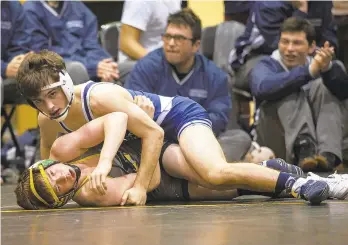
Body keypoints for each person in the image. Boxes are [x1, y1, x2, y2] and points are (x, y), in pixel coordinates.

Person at [17, 50, 337, 206]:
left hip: (171, 120)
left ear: (65, 81)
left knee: (212, 172)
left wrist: (137, 186)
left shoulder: (99, 97)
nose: (49, 106)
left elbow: (153, 133)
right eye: (39, 102)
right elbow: (48, 157)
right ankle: (269, 170)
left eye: (52, 95)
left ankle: (300, 185)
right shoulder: (48, 120)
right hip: (144, 140)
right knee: (203, 186)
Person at [14, 111, 346, 209]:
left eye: (52, 174)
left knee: (214, 174)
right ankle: (296, 179)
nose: (61, 177)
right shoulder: (91, 193)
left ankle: (302, 183)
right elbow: (151, 181)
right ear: (63, 199)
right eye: (57, 188)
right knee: (231, 186)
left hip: (164, 134)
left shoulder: (63, 151)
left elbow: (116, 118)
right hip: (160, 176)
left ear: (46, 165)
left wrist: (103, 162)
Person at [125, 8, 252, 161]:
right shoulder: (146, 66)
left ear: (196, 45)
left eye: (179, 38)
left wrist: (184, 129)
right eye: (167, 36)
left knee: (240, 137)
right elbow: (133, 109)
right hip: (157, 141)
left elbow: (218, 119)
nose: (171, 43)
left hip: (198, 140)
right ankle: (206, 167)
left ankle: (199, 165)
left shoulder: (214, 75)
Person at [250, 17, 348, 172]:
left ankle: (327, 156)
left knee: (323, 86)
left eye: (296, 43)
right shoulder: (265, 64)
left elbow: (344, 93)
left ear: (311, 47)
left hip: (318, 144)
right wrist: (308, 72)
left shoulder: (324, 63)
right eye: (284, 42)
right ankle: (304, 149)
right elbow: (262, 88)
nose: (289, 48)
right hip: (274, 140)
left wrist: (327, 69)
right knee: (288, 88)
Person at [229, 0, 337, 92]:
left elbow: (330, 41)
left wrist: (322, 57)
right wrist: (301, 10)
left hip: (303, 57)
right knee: (284, 77)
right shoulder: (267, 4)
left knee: (333, 70)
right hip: (253, 60)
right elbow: (282, 47)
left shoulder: (323, 3)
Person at [23, 1, 120, 83]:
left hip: (88, 62)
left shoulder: (77, 7)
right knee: (77, 69)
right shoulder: (31, 10)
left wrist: (105, 64)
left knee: (125, 68)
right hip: (53, 66)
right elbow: (43, 55)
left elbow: (92, 45)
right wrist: (92, 67)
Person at [1, 1, 31, 105]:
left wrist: (19, 62)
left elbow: (19, 45)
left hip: (8, 72)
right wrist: (4, 68)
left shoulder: (14, 6)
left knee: (41, 78)